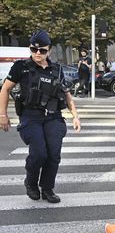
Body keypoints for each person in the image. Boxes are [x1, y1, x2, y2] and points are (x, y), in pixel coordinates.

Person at [0, 30, 82, 203]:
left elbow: (66, 94)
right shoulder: (21, 67)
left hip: (53, 117)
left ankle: (47, 189)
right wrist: (2, 115)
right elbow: (5, 89)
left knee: (53, 155)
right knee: (39, 154)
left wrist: (75, 115)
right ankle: (31, 183)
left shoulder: (57, 70)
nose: (37, 53)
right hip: (31, 117)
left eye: (42, 50)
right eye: (33, 49)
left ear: (49, 51)